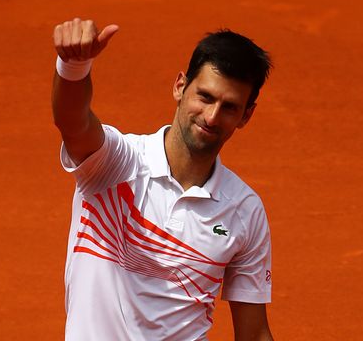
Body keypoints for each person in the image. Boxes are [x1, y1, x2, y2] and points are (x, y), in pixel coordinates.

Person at [52, 17, 274, 341]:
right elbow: (72, 121)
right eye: (206, 97)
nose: (212, 117)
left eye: (229, 107)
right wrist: (73, 67)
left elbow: (253, 334)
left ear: (246, 116)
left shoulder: (245, 210)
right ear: (180, 87)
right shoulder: (115, 164)